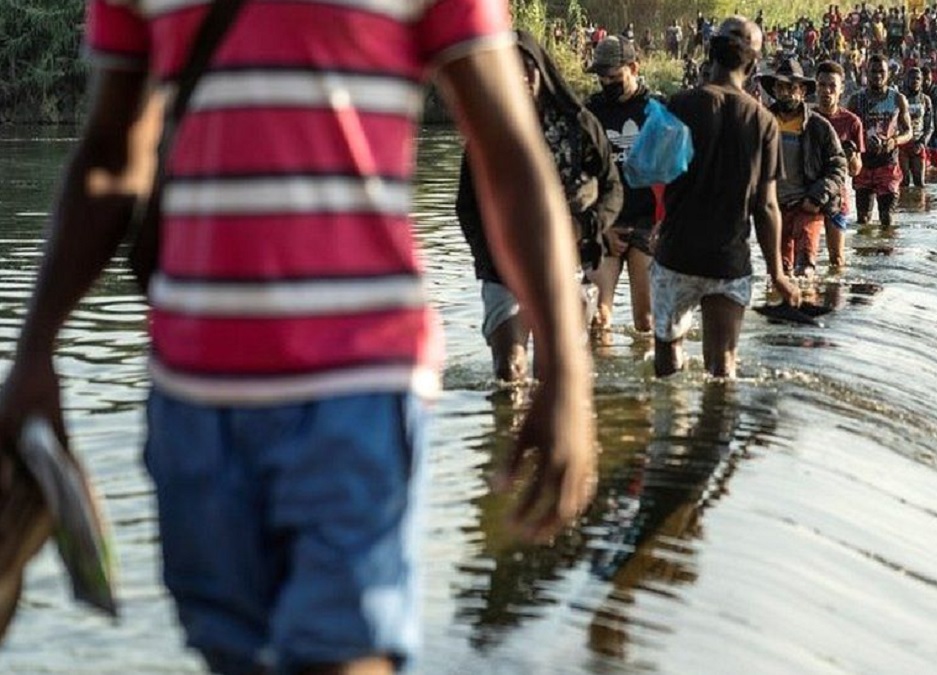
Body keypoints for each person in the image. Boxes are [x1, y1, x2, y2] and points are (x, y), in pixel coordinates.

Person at [0, 1, 599, 673]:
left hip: (358, 386)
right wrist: (34, 352)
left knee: (342, 653)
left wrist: (566, 374)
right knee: (232, 653)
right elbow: (110, 155)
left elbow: (509, 151)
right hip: (191, 395)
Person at [458, 32, 622, 381]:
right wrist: (486, 257)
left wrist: (586, 226)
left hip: (566, 260)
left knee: (557, 373)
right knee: (510, 369)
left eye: (527, 67)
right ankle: (508, 432)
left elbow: (612, 187)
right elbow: (467, 206)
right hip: (503, 267)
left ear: (542, 70)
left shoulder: (578, 124)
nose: (519, 76)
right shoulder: (487, 130)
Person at [652, 17, 803, 378]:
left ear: (710, 53)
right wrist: (778, 273)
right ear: (753, 65)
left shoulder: (679, 106)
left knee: (668, 363)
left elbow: (656, 175)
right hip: (728, 259)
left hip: (676, 253)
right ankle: (715, 433)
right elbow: (766, 206)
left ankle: (667, 429)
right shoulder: (763, 122)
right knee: (723, 368)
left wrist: (654, 225)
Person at [585, 36, 662, 334]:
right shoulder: (590, 113)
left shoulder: (656, 111)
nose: (607, 83)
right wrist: (599, 226)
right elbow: (581, 175)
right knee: (596, 319)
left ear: (634, 68)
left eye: (615, 77)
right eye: (602, 77)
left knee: (646, 322)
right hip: (605, 222)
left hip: (648, 223)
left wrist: (664, 225)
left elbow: (675, 175)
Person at [761, 59, 849, 278]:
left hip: (807, 206)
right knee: (778, 272)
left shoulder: (818, 126)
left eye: (792, 88)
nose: (786, 93)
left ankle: (809, 307)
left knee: (805, 269)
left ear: (802, 92)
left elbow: (839, 165)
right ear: (773, 90)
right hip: (774, 209)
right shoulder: (762, 124)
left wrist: (818, 196)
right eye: (781, 87)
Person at [847, 53, 914, 229]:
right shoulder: (856, 100)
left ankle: (887, 254)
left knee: (887, 220)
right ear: (866, 73)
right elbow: (846, 133)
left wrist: (894, 141)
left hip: (888, 165)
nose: (877, 75)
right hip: (864, 165)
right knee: (862, 221)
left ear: (888, 74)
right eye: (873, 71)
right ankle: (864, 255)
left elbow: (908, 132)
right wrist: (859, 142)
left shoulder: (898, 99)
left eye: (881, 72)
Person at [813, 60, 865, 272]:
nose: (827, 91)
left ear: (841, 88)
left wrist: (850, 155)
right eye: (822, 85)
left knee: (837, 260)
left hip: (837, 196)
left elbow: (856, 170)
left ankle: (835, 300)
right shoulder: (807, 118)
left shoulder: (851, 122)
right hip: (809, 194)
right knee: (806, 257)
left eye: (832, 86)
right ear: (815, 87)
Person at [899, 66, 933, 188]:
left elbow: (930, 126)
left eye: (918, 78)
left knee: (920, 184)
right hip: (902, 144)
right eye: (912, 78)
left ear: (922, 81)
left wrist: (923, 142)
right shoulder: (899, 98)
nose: (915, 81)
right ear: (907, 80)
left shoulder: (926, 100)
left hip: (918, 143)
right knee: (904, 182)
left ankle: (919, 206)